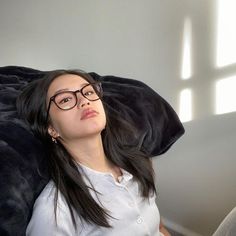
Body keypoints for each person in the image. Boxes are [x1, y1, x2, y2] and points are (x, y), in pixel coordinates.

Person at [17, 69, 170, 236]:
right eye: (66, 99)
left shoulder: (138, 163)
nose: (84, 101)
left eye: (88, 91)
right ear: (52, 129)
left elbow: (160, 229)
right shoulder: (54, 212)